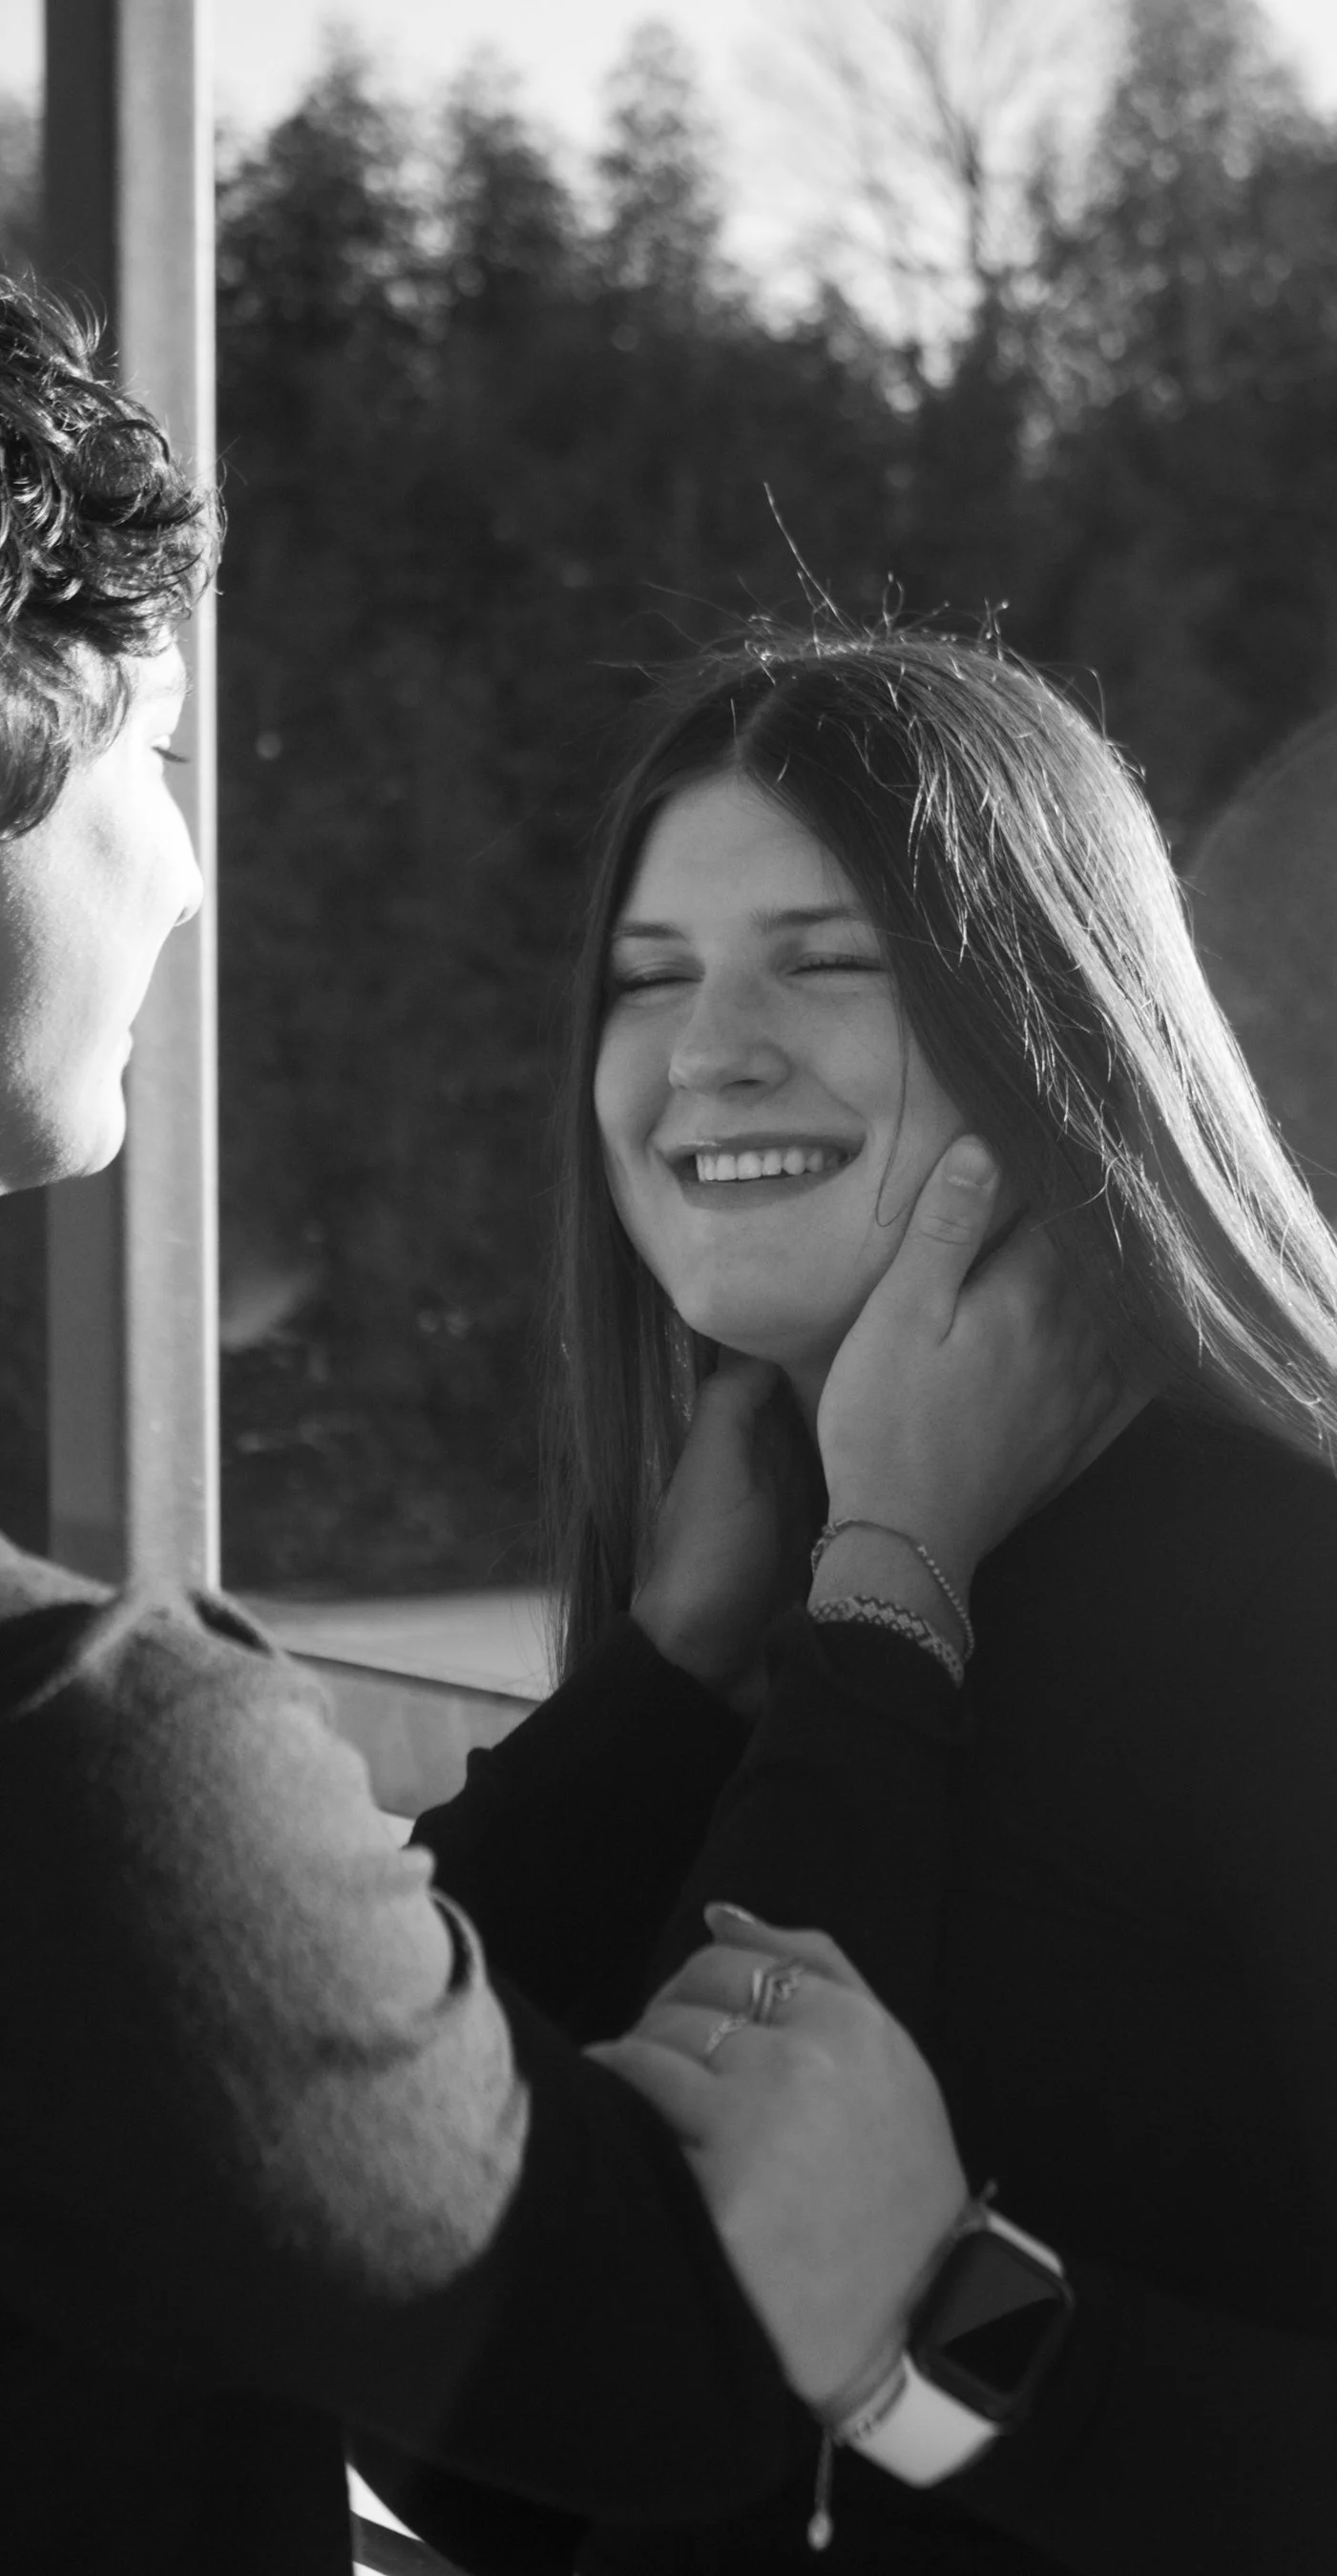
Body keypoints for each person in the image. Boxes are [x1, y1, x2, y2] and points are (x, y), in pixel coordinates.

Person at [404, 626, 1337, 2573]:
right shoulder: (778, 1633)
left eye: (828, 959)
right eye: (649, 979)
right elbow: (466, 2374)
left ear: (1050, 1026)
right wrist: (670, 1681)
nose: (710, 1050)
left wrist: (951, 2329)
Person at [0, 277, 1107, 2575]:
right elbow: (656, 2367)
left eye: (831, 959)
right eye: (161, 756)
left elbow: (280, 2105)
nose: (195, 873)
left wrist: (673, 1676)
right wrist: (880, 1593)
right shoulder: (75, 1760)